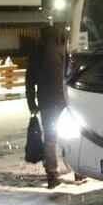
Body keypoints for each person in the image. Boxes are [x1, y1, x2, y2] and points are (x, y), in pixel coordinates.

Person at [25, 25, 72, 189]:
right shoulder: (62, 51)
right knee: (71, 136)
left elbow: (29, 83)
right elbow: (70, 75)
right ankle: (78, 171)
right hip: (65, 102)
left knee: (50, 140)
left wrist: (32, 104)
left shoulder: (35, 55)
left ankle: (52, 174)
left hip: (46, 103)